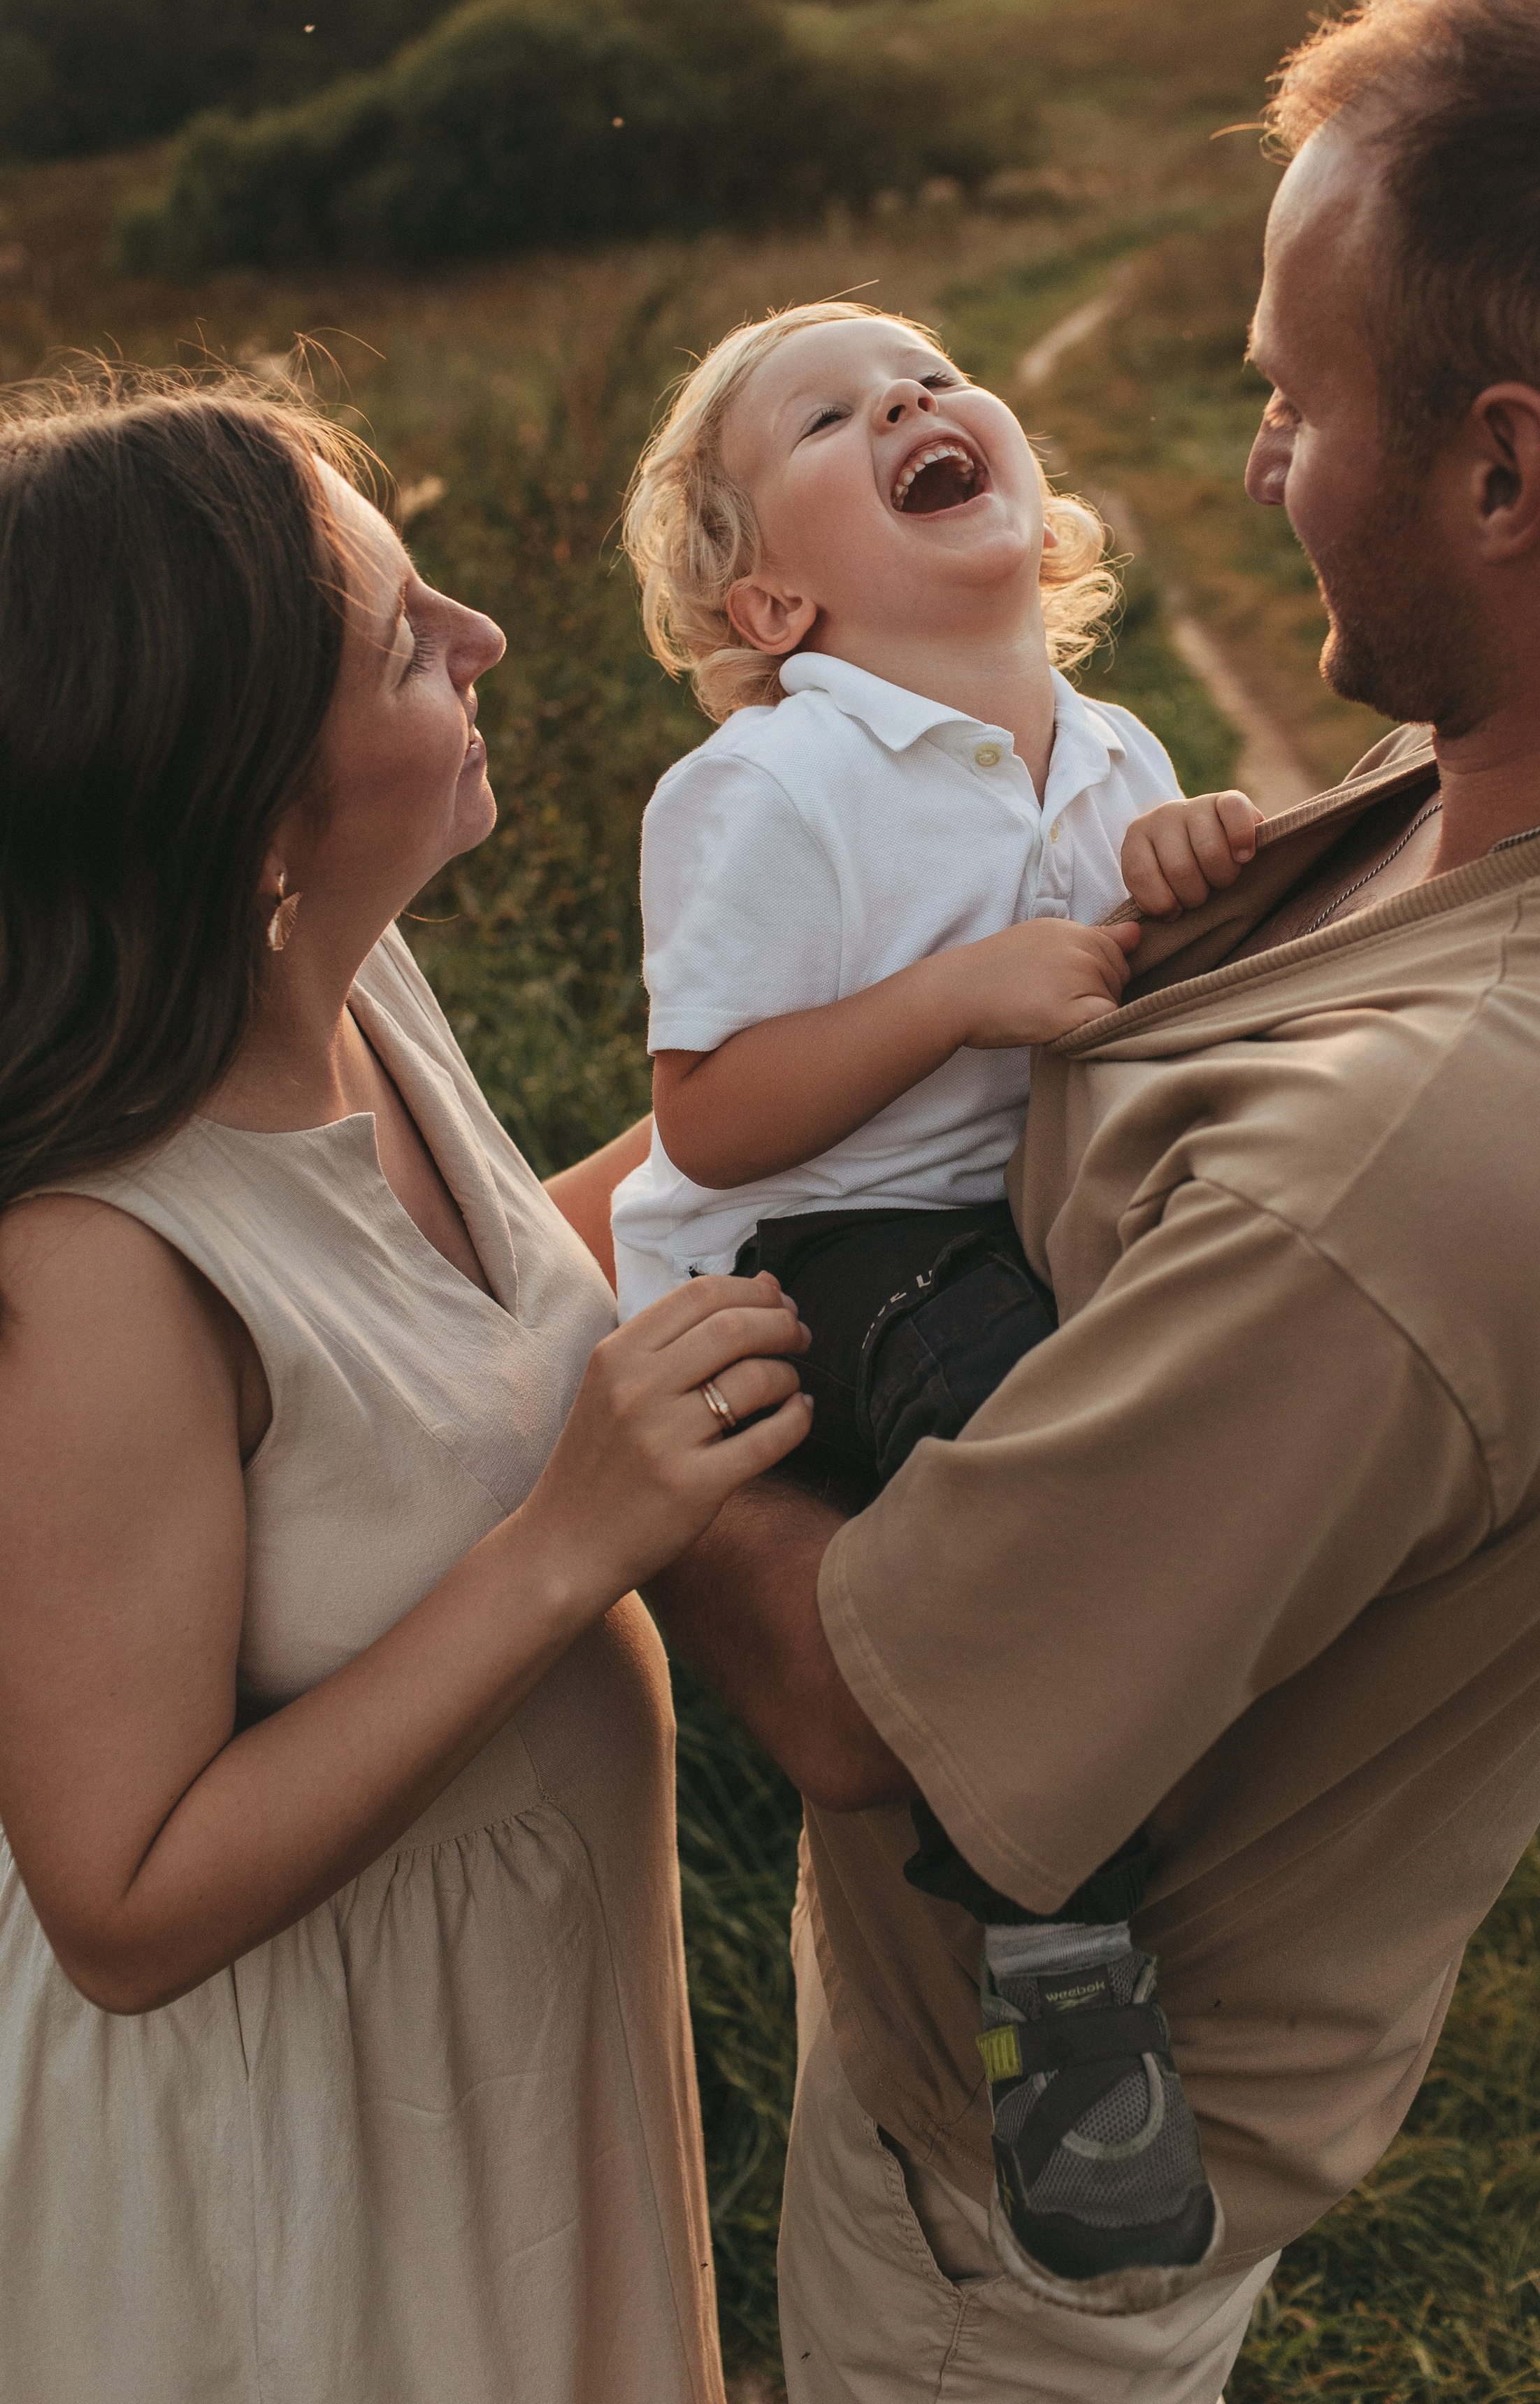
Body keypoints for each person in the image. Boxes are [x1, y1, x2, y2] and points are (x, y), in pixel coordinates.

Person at [648, 0, 1540, 2403]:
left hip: (1008, 2247)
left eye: (1293, 405)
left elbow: (870, 1703)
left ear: (1505, 471)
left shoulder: (1410, 1170)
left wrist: (575, 1386)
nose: (1259, 464)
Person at [0, 378, 810, 2404]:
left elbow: (419, 1340)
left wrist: (881, 1073)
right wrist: (566, 1552)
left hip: (502, 2045)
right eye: (400, 639)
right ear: (255, 809)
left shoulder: (346, 981)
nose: (487, 636)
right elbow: (118, 1902)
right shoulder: (92, 1264)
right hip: (295, 2160)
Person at [611, 300, 1269, 2308]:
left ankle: (1181, 1729)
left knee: (1194, 1385)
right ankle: (1046, 1935)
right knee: (1019, 1420)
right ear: (773, 598)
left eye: (929, 369)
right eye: (829, 407)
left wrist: (1185, 880)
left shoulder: (1115, 740)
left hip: (1018, 1209)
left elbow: (1131, 995)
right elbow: (708, 1116)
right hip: (827, 1251)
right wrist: (958, 995)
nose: (908, 395)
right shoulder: (773, 785)